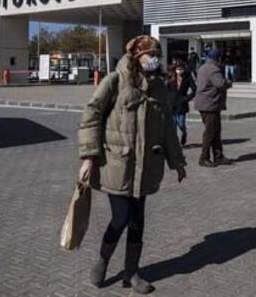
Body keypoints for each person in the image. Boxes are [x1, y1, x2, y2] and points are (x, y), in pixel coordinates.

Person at [77, 35, 187, 294]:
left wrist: (177, 162)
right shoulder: (115, 81)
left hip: (147, 166)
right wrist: (89, 156)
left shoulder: (160, 87)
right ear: (137, 56)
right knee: (121, 218)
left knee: (138, 221)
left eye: (157, 55)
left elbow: (168, 128)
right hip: (117, 164)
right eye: (150, 55)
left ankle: (132, 273)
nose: (155, 60)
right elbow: (91, 114)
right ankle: (103, 260)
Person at [194, 48, 233, 167]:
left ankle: (218, 156)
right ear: (218, 58)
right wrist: (229, 82)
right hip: (210, 104)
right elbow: (221, 83)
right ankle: (204, 158)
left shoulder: (203, 67)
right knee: (210, 132)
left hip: (207, 104)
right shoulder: (213, 69)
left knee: (215, 131)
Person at [166, 59, 196, 146]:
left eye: (181, 68)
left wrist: (187, 98)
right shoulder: (171, 76)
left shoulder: (187, 76)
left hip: (182, 103)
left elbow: (194, 89)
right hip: (172, 103)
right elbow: (166, 88)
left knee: (181, 123)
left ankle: (184, 133)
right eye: (177, 68)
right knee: (173, 124)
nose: (179, 70)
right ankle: (174, 142)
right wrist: (167, 99)